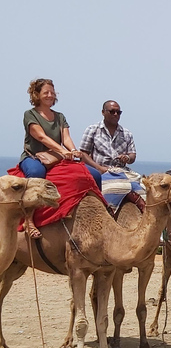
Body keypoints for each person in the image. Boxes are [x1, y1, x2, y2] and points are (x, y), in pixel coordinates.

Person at [19, 78, 102, 238]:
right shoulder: (30, 114)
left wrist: (73, 150)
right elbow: (41, 137)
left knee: (94, 175)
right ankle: (28, 220)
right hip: (35, 157)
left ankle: (98, 215)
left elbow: (66, 138)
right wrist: (63, 150)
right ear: (36, 94)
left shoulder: (60, 116)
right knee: (36, 174)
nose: (50, 95)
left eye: (52, 92)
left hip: (56, 157)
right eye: (46, 92)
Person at [80, 100, 144, 209]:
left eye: (118, 112)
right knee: (112, 194)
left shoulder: (126, 133)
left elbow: (132, 155)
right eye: (112, 111)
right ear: (103, 112)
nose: (116, 115)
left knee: (144, 192)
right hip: (102, 171)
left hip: (122, 171)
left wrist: (127, 158)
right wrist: (98, 168)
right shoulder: (92, 130)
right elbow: (83, 154)